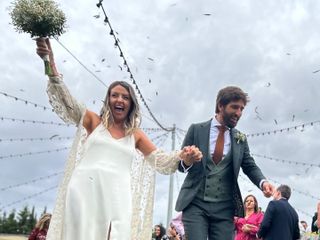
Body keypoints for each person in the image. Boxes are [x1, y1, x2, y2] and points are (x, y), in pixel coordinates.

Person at [35, 38, 202, 240]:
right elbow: (65, 100)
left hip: (117, 194)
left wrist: (184, 157)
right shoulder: (93, 121)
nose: (119, 100)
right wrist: (49, 62)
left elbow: (160, 160)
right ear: (108, 99)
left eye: (125, 97)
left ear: (131, 103)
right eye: (115, 95)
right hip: (84, 189)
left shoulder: (136, 135)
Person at [175, 86, 274, 240]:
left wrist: (263, 183)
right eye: (234, 107)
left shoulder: (240, 138)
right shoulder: (196, 130)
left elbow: (249, 165)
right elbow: (180, 166)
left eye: (241, 109)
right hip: (195, 204)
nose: (238, 113)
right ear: (220, 105)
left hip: (225, 208)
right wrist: (187, 161)